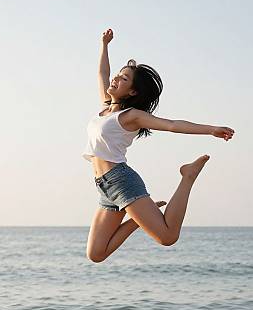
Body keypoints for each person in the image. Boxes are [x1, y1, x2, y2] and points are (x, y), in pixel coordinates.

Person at [84, 28, 235, 262]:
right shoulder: (105, 107)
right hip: (103, 186)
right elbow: (102, 73)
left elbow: (173, 125)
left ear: (132, 91)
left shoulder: (130, 115)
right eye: (118, 75)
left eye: (124, 79)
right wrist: (105, 45)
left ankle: (188, 176)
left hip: (121, 181)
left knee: (167, 236)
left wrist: (211, 129)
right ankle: (136, 218)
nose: (115, 79)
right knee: (96, 254)